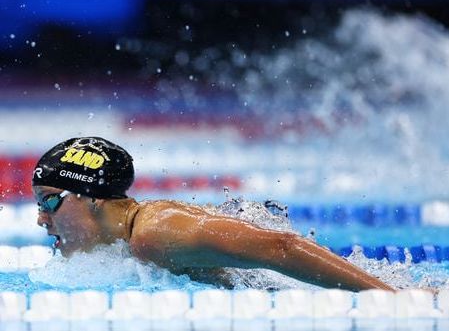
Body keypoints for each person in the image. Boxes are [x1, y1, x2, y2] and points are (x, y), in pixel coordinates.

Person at [32, 137, 393, 292]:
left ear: (91, 196)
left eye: (48, 202)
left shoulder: (154, 234)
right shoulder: (136, 236)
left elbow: (281, 246)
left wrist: (391, 297)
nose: (40, 219)